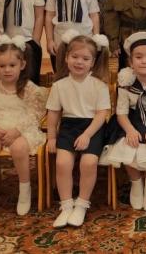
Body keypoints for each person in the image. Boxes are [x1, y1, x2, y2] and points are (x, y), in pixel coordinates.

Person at [100, 32, 146, 211]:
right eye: (138, 57)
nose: (144, 61)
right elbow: (121, 113)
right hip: (131, 121)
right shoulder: (125, 85)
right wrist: (129, 130)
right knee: (127, 145)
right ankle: (135, 182)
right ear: (131, 62)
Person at [46, 31, 111, 228]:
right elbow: (53, 114)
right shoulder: (59, 85)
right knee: (62, 163)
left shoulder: (99, 85)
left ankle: (82, 204)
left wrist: (87, 135)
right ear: (66, 57)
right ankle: (66, 206)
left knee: (89, 162)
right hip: (69, 126)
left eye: (85, 58)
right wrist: (51, 137)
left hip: (92, 127)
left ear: (93, 62)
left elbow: (102, 114)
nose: (79, 62)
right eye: (75, 57)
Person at [0, 35, 47, 216]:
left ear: (22, 65)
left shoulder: (30, 88)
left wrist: (17, 131)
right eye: (2, 66)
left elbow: (35, 114)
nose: (7, 70)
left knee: (19, 148)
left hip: (22, 128)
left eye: (12, 65)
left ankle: (24, 190)